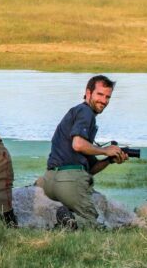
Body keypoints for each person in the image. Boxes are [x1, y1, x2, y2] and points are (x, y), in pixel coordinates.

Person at [42, 75, 128, 229]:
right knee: (92, 224)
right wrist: (105, 150)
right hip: (69, 182)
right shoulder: (85, 112)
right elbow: (78, 144)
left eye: (108, 97)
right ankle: (69, 219)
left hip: (49, 181)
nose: (104, 100)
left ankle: (63, 219)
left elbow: (90, 169)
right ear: (88, 93)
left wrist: (109, 160)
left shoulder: (76, 113)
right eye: (100, 94)